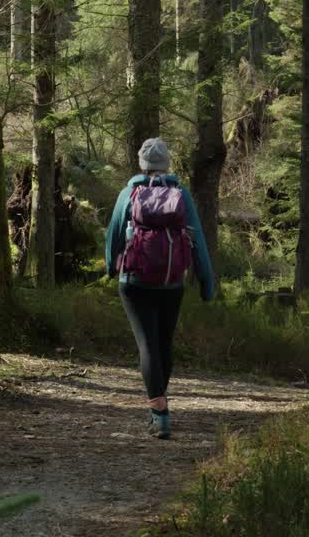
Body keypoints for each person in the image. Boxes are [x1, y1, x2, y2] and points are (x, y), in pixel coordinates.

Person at [105, 137, 216, 439]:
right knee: (163, 344)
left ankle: (160, 413)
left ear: (142, 163)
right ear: (166, 163)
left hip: (134, 282)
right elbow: (198, 240)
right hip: (172, 282)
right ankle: (159, 404)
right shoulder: (181, 194)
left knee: (147, 345)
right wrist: (207, 281)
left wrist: (110, 266)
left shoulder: (129, 193)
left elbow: (114, 235)